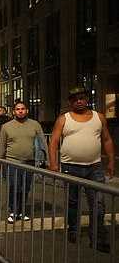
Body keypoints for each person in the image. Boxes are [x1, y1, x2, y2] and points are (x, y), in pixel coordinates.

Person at [49, 87, 115, 253]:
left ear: (87, 99)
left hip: (94, 168)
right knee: (73, 202)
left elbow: (106, 140)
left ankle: (97, 237)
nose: (79, 101)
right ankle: (73, 230)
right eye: (75, 99)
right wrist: (53, 164)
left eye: (81, 98)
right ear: (70, 102)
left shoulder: (98, 117)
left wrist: (111, 162)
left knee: (98, 204)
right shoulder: (64, 119)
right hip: (71, 168)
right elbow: (54, 142)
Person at [0, 100, 47, 223]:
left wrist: (48, 160)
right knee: (15, 186)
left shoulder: (35, 125)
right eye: (18, 109)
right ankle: (13, 210)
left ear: (27, 111)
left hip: (29, 162)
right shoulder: (7, 127)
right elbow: (2, 145)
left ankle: (21, 211)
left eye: (23, 109)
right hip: (12, 161)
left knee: (25, 188)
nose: (20, 111)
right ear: (14, 112)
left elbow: (43, 142)